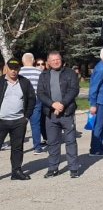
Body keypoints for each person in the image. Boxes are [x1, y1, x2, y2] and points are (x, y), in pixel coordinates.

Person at [37, 51, 81, 179]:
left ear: (61, 60)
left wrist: (62, 103)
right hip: (51, 114)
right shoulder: (44, 75)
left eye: (58, 59)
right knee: (52, 143)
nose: (56, 62)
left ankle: (73, 169)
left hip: (67, 113)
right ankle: (53, 169)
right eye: (53, 60)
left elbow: (74, 90)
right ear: (48, 62)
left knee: (70, 141)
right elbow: (40, 93)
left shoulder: (70, 73)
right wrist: (52, 104)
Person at [0, 58, 36, 180]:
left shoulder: (24, 82)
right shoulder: (0, 81)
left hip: (19, 121)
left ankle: (16, 171)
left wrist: (26, 117)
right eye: (11, 68)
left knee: (17, 147)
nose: (13, 71)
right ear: (6, 68)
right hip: (1, 121)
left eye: (16, 69)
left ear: (19, 69)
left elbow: (32, 99)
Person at [19, 53, 46, 154]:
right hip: (35, 99)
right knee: (35, 124)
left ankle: (19, 148)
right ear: (34, 61)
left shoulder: (19, 72)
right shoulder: (38, 72)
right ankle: (37, 147)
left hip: (21, 100)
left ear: (23, 61)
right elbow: (42, 87)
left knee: (20, 125)